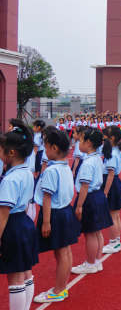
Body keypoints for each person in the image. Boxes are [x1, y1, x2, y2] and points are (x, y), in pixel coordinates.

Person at [33, 131, 80, 303]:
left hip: (55, 214)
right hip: (65, 211)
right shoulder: (65, 166)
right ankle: (63, 287)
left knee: (61, 254)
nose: (44, 151)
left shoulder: (52, 170)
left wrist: (46, 222)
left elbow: (47, 197)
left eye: (45, 147)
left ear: (54, 148)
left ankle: (58, 290)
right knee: (65, 252)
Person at [0, 123, 39, 310]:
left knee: (15, 277)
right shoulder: (26, 172)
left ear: (12, 153)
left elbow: (3, 212)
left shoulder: (10, 179)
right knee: (26, 272)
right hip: (24, 223)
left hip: (12, 226)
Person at [71, 128, 113, 274]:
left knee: (89, 233)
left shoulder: (88, 162)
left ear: (88, 143)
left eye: (81, 140)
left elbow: (84, 185)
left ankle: (90, 264)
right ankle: (96, 261)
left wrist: (79, 205)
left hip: (89, 198)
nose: (78, 143)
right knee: (97, 232)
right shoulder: (96, 158)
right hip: (98, 196)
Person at [101, 126, 121, 254]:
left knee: (112, 216)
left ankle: (113, 243)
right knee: (116, 216)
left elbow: (110, 174)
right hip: (115, 183)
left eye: (104, 137)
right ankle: (116, 242)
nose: (102, 139)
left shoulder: (112, 154)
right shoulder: (116, 151)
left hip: (111, 183)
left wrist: (105, 192)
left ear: (111, 139)